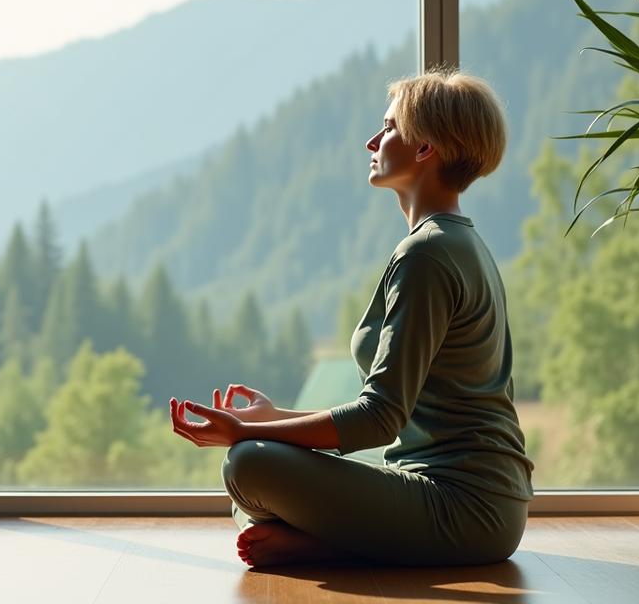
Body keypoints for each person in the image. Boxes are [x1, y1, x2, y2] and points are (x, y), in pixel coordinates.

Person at [169, 67, 535, 569]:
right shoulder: (456, 241)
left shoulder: (428, 254)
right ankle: (337, 540)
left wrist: (246, 433)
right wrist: (270, 418)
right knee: (253, 467)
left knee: (248, 464)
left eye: (387, 127)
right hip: (469, 501)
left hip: (467, 510)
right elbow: (389, 410)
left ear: (425, 148)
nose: (372, 140)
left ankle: (330, 544)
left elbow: (379, 418)